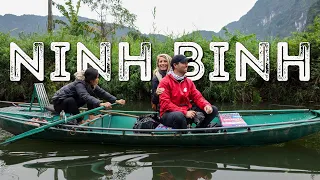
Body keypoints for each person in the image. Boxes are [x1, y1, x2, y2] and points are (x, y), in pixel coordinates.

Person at [158, 55, 218, 129]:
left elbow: (198, 97)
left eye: (187, 63)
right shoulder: (165, 82)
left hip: (186, 111)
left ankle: (198, 131)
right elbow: (166, 104)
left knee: (213, 109)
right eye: (183, 63)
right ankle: (184, 135)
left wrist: (206, 105)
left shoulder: (189, 82)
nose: (186, 65)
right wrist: (184, 112)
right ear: (175, 65)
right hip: (168, 114)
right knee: (179, 116)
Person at [52, 67, 125, 124]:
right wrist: (100, 103)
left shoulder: (90, 84)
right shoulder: (79, 84)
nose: (98, 79)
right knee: (73, 100)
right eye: (97, 77)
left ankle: (91, 115)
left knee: (91, 93)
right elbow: (85, 96)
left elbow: (102, 93)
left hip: (70, 103)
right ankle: (80, 121)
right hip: (59, 105)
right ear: (91, 80)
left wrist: (116, 100)